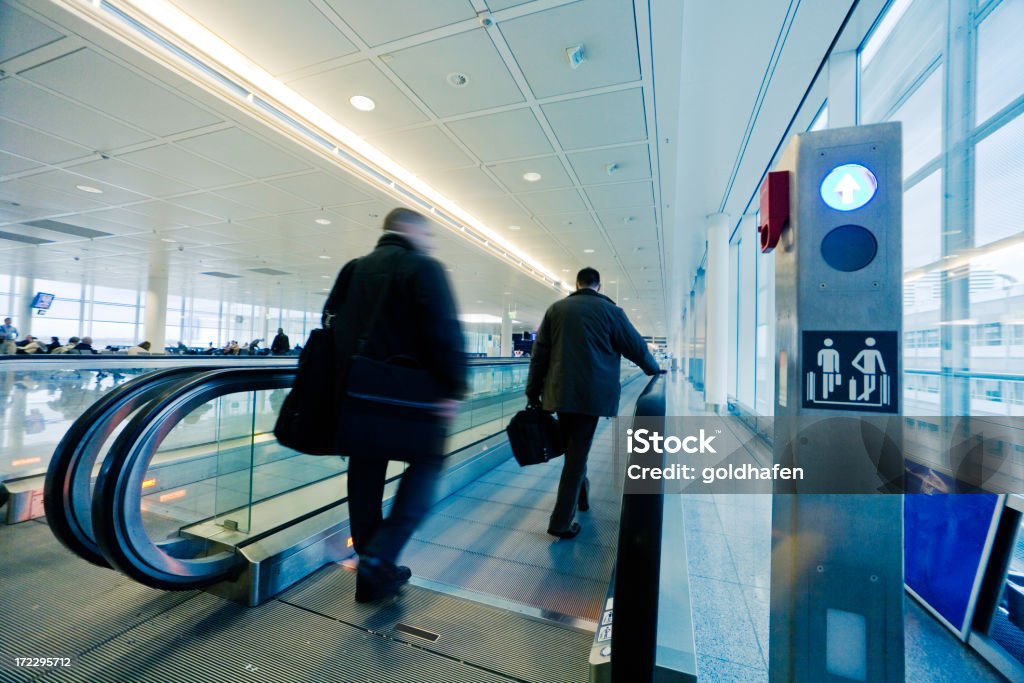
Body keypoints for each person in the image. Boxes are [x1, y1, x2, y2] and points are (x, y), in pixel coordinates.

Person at [324, 207, 466, 603]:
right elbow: (444, 333)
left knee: (365, 477)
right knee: (427, 466)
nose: (429, 242)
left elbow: (333, 328)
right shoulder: (424, 268)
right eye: (428, 234)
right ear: (408, 230)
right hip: (411, 401)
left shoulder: (352, 269)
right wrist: (454, 388)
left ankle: (372, 572)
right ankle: (381, 557)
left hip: (358, 396)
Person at [526, 267, 660, 539]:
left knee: (576, 451)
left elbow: (538, 355)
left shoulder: (556, 309)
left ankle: (582, 497)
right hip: (591, 397)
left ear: (577, 284)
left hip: (559, 394)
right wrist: (654, 370)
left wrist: (532, 393)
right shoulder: (612, 312)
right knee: (576, 456)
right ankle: (560, 522)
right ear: (599, 286)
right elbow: (636, 347)